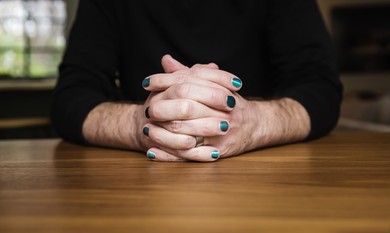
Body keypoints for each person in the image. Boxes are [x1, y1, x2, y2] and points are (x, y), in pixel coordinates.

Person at [51, 0, 342, 162]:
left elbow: (320, 86)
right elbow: (71, 97)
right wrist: (140, 124)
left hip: (266, 173)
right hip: (141, 179)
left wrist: (257, 124)